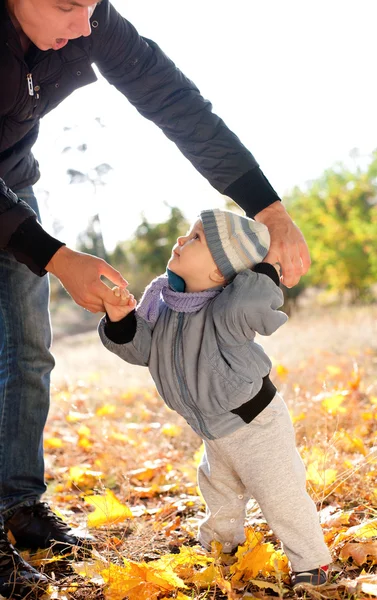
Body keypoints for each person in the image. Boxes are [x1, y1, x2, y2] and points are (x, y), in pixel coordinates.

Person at [0, 0, 311, 595]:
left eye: (92, 6)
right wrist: (56, 256)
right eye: (68, 7)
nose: (85, 26)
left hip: (14, 189)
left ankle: (19, 506)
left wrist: (266, 206)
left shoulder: (91, 23)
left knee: (28, 354)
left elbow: (175, 102)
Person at [99, 209, 332, 591]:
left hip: (255, 423)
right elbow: (142, 350)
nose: (181, 241)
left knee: (280, 493)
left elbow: (247, 301)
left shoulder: (225, 311)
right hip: (213, 428)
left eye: (196, 239)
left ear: (219, 274)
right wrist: (122, 319)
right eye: (187, 234)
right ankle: (221, 547)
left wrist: (268, 267)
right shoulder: (166, 307)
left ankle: (313, 563)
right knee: (218, 489)